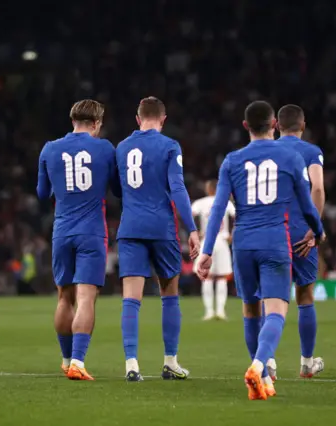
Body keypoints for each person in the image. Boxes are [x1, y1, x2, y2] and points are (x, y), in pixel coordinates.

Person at [196, 101, 324, 400]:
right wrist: (317, 232)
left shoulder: (231, 160)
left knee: (250, 309)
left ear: (245, 126)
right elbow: (307, 204)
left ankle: (265, 375)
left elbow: (218, 208)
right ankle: (258, 365)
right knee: (277, 311)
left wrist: (206, 250)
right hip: (274, 242)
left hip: (242, 244)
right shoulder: (290, 157)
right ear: (274, 125)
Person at [116, 96, 200, 382]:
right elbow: (177, 189)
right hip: (162, 228)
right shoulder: (169, 146)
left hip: (130, 227)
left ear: (138, 119)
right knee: (169, 294)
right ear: (163, 119)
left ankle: (131, 363)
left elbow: (117, 187)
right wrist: (191, 229)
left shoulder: (122, 147)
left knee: (131, 298)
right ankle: (170, 362)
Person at [37, 99, 120, 381]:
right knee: (86, 297)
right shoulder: (105, 148)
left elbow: (41, 192)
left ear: (72, 120)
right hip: (92, 231)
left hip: (62, 229)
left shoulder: (50, 148)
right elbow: (118, 189)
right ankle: (78, 361)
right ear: (96, 123)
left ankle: (65, 359)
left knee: (64, 297)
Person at [265, 104, 326, 381]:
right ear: (303, 125)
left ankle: (268, 362)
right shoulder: (311, 152)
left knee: (272, 299)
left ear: (276, 125)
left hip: (273, 230)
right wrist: (315, 228)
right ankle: (306, 362)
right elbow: (318, 187)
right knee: (304, 297)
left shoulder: (265, 150)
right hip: (302, 232)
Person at [192, 180, 235, 320]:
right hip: (222, 240)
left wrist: (196, 232)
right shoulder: (226, 203)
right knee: (222, 277)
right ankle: (221, 311)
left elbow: (189, 214)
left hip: (207, 241)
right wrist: (232, 233)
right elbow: (237, 215)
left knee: (207, 277)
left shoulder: (200, 202)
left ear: (208, 188)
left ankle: (209, 312)